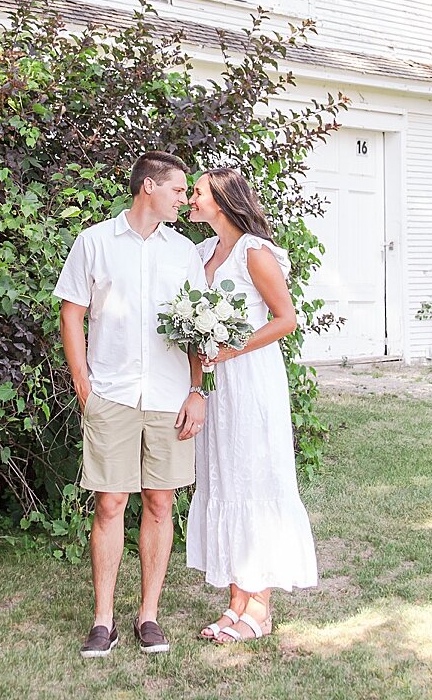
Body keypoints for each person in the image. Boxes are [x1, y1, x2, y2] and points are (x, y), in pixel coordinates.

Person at [54, 150, 210, 657]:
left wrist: (196, 389)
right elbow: (72, 313)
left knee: (161, 503)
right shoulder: (94, 242)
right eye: (178, 190)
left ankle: (148, 615)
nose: (184, 199)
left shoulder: (183, 252)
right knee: (110, 502)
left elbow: (197, 327)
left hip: (168, 395)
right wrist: (82, 380)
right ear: (149, 187)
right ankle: (103, 620)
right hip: (113, 393)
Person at [184, 166, 319, 641]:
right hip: (217, 385)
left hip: (252, 378)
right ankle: (235, 602)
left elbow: (286, 319)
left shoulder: (253, 252)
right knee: (225, 477)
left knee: (255, 476)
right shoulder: (201, 254)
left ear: (220, 199)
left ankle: (260, 608)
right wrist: (198, 381)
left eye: (196, 192)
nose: (189, 199)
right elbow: (194, 329)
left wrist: (230, 348)